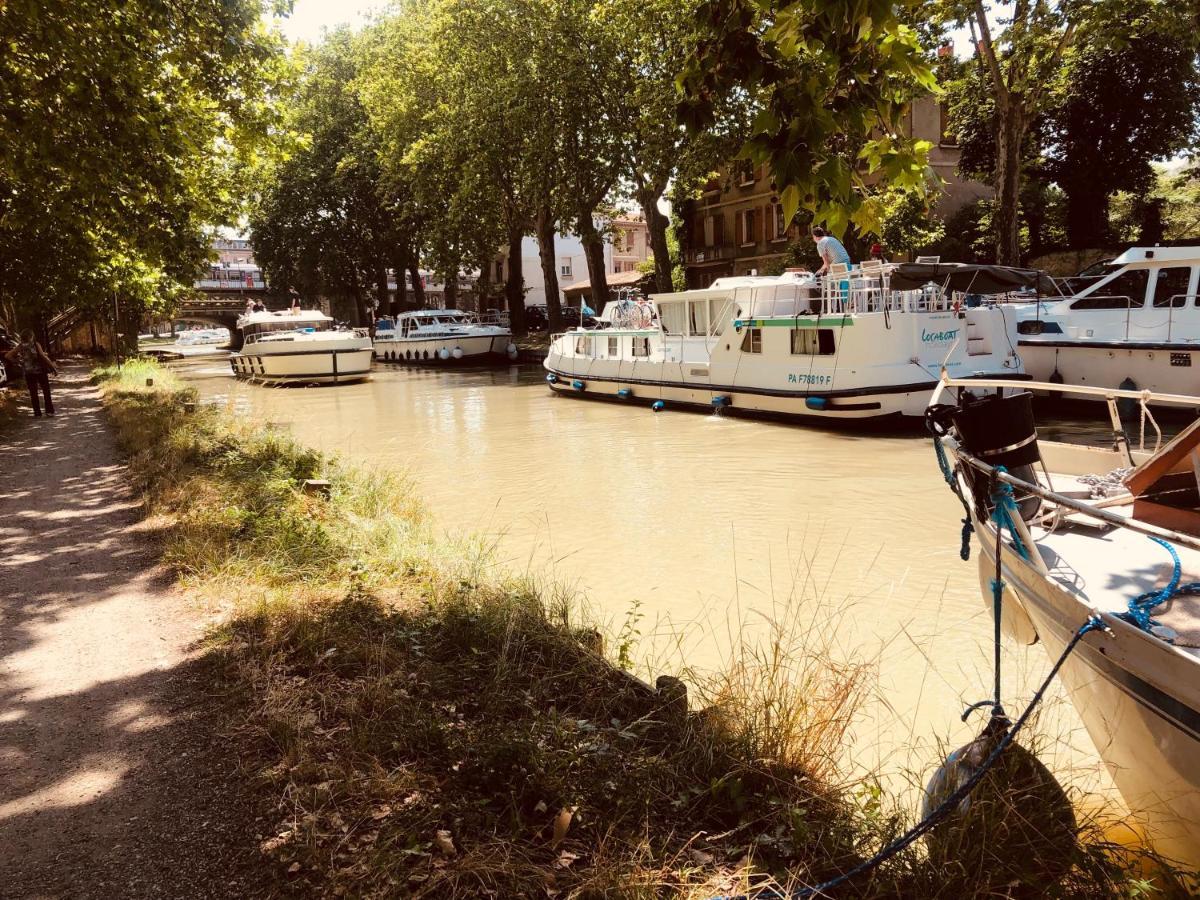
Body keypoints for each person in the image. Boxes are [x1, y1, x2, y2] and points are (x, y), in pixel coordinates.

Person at [5, 330, 58, 417]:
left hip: (28, 372)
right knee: (46, 391)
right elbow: (42, 356)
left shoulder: (20, 346)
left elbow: (7, 355)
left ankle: (37, 413)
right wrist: (53, 368)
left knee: (33, 393)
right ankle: (49, 411)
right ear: (31, 336)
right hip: (40, 371)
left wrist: (18, 361)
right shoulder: (36, 344)